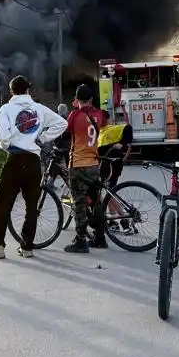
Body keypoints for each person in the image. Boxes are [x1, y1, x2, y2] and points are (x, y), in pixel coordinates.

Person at [0, 75, 67, 259]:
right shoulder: (39, 109)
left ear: (11, 91)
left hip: (15, 159)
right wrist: (42, 138)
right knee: (31, 207)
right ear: (28, 90)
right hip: (34, 162)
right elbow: (62, 123)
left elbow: (3, 136)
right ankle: (27, 248)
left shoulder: (6, 109)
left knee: (2, 204)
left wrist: (5, 145)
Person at [61, 84, 108, 254]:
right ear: (91, 99)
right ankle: (100, 238)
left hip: (78, 165)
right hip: (94, 164)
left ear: (76, 98)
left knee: (79, 203)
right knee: (96, 202)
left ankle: (80, 240)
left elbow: (65, 134)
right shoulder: (99, 115)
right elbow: (102, 124)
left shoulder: (74, 115)